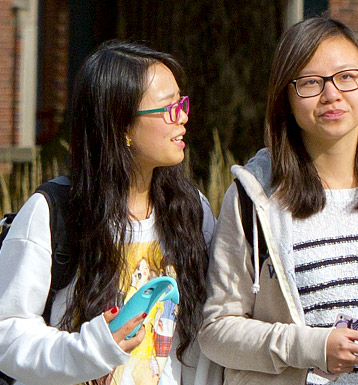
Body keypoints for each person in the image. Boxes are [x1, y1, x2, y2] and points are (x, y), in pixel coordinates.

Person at [198, 17, 358, 385]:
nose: (331, 94)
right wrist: (309, 346)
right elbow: (217, 331)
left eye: (347, 76)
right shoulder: (254, 197)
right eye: (310, 83)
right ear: (286, 96)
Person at [0, 41, 222, 385]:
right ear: (122, 126)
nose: (183, 116)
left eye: (181, 102)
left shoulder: (192, 211)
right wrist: (90, 350)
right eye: (168, 108)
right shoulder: (54, 213)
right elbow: (7, 335)